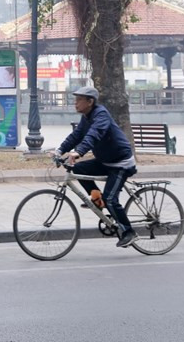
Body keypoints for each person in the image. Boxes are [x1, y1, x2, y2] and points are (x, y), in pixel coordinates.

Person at [53, 86, 139, 248]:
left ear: (90, 101)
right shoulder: (86, 117)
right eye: (75, 100)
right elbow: (76, 135)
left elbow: (94, 134)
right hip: (105, 161)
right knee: (78, 169)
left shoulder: (101, 115)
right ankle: (98, 200)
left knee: (111, 199)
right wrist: (59, 151)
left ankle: (129, 232)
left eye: (79, 100)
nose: (75, 103)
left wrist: (79, 152)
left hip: (120, 163)